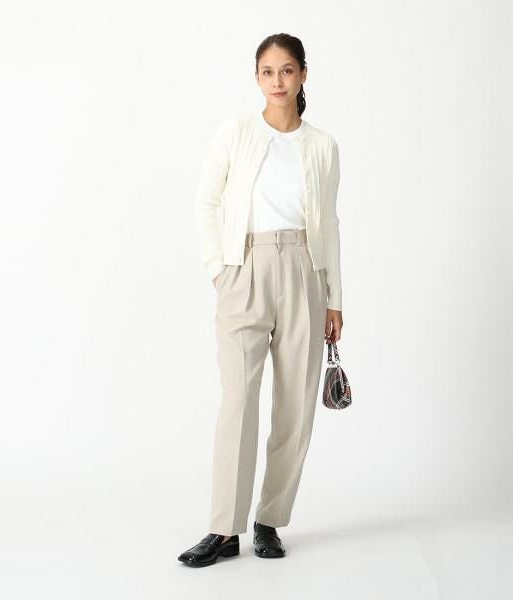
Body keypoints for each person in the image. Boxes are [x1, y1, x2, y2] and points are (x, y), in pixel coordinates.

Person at [178, 32, 343, 568]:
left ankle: (269, 520)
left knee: (295, 404)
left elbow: (329, 225)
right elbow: (206, 201)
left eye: (287, 70)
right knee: (238, 401)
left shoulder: (322, 146)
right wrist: (218, 270)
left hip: (304, 270)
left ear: (303, 75)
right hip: (243, 268)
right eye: (268, 72)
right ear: (257, 78)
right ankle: (223, 529)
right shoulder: (236, 132)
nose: (278, 81)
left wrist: (335, 299)